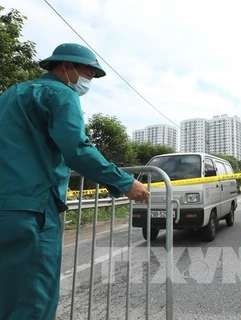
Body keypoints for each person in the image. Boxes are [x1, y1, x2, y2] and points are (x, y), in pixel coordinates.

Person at [0, 43, 150, 320]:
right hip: (33, 210)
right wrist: (125, 182)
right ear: (66, 66)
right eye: (89, 74)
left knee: (6, 295)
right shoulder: (61, 93)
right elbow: (77, 149)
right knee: (35, 299)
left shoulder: (10, 95)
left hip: (6, 206)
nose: (88, 81)